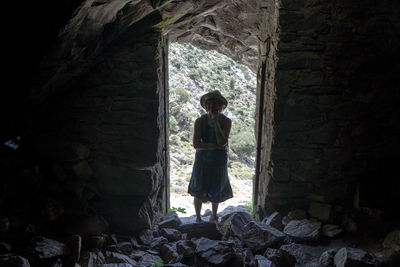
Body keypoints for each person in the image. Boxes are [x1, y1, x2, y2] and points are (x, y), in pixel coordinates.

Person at [188, 90, 233, 223]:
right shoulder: (200, 121)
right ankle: (197, 217)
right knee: (198, 187)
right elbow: (196, 144)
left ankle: (214, 216)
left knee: (216, 187)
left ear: (220, 107)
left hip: (218, 160)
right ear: (206, 106)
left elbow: (222, 142)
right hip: (203, 160)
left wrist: (216, 123)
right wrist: (215, 146)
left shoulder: (226, 121)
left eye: (216, 104)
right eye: (210, 104)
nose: (213, 107)